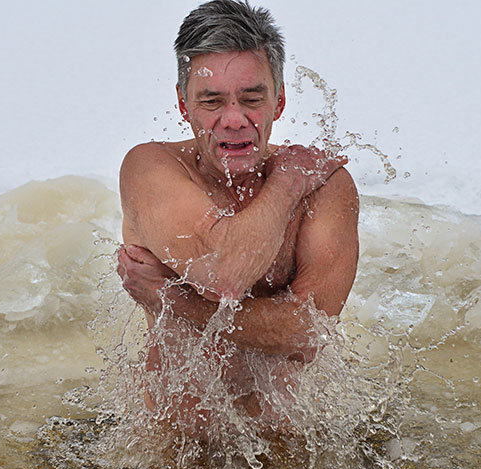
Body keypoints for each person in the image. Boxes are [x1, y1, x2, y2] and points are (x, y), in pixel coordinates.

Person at [117, 0, 359, 443]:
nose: (234, 121)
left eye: (252, 98)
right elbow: (224, 272)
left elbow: (307, 334)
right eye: (212, 101)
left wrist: (174, 300)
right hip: (169, 460)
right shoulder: (150, 168)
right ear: (183, 103)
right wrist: (285, 188)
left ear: (279, 101)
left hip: (290, 450)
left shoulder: (323, 185)